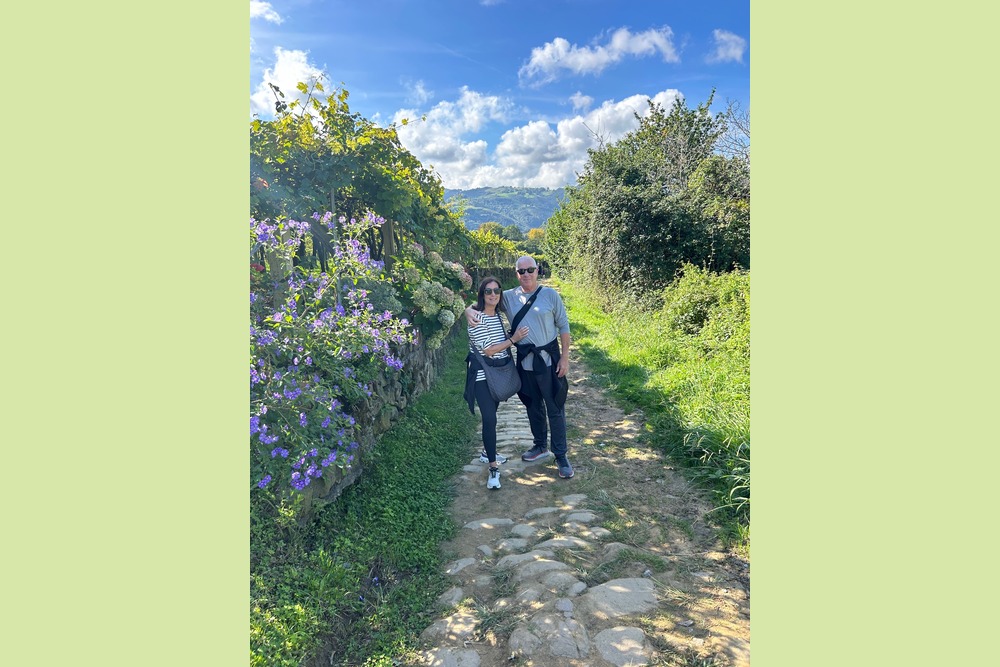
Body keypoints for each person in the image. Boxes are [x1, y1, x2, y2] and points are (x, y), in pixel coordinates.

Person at [466, 256, 574, 479]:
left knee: (555, 406)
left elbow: (563, 325)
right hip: (525, 362)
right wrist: (467, 310)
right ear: (516, 274)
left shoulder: (550, 295)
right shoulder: (509, 297)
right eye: (521, 271)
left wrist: (565, 357)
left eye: (530, 270)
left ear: (537, 271)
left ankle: (561, 455)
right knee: (532, 405)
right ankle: (539, 445)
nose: (526, 274)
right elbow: (486, 299)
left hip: (549, 360)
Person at [463, 276, 529, 489]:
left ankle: (486, 452)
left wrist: (509, 337)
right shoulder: (477, 318)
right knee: (490, 419)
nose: (493, 294)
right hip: (482, 377)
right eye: (488, 291)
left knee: (493, 414)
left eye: (496, 291)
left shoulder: (499, 316)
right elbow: (489, 350)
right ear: (481, 294)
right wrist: (513, 339)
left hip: (499, 374)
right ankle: (493, 468)